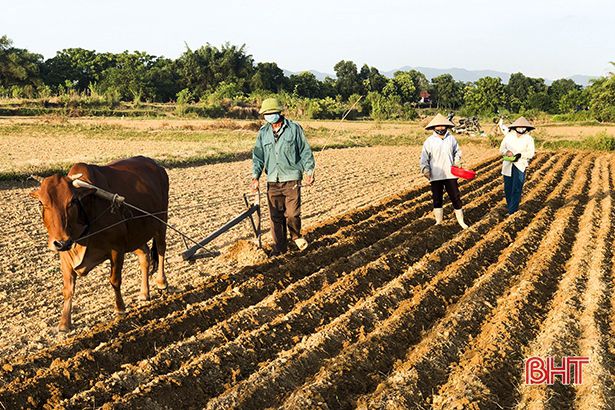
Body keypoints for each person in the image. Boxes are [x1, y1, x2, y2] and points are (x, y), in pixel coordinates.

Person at [251, 97, 316, 256]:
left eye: (271, 112)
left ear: (279, 112)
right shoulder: (263, 133)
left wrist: (309, 171)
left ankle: (295, 236)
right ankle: (280, 247)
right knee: (275, 217)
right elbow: (258, 156)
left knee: (293, 214)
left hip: (292, 178)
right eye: (266, 113)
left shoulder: (294, 129)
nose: (269, 116)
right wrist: (255, 177)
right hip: (272, 180)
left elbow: (305, 151)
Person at [420, 113, 469, 229]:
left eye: (443, 126)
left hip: (450, 174)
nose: (441, 128)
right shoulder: (429, 141)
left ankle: (461, 221)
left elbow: (457, 152)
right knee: (437, 198)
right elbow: (424, 157)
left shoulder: (451, 139)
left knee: (455, 197)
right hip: (435, 174)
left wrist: (457, 161)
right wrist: (425, 169)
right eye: (438, 126)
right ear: (434, 128)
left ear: (446, 127)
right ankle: (439, 222)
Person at [498, 116, 536, 215]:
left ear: (526, 128)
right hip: (508, 165)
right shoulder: (508, 137)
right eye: (519, 127)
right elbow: (501, 149)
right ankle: (510, 206)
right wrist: (507, 152)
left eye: (523, 127)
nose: (521, 129)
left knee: (517, 188)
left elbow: (531, 153)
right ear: (515, 127)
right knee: (508, 188)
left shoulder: (529, 139)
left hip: (520, 165)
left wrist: (520, 155)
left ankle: (512, 211)